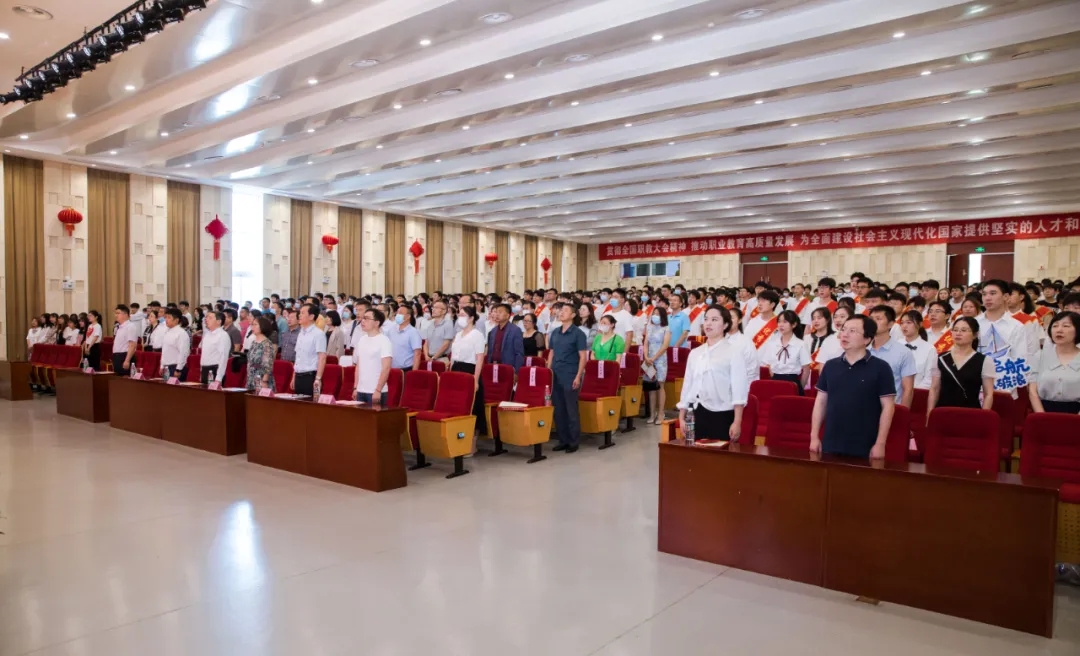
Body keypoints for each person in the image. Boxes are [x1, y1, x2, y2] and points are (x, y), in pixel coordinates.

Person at [810, 315, 896, 459]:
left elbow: (888, 407)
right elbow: (820, 402)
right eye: (844, 329)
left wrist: (880, 443)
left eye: (852, 331)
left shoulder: (881, 368)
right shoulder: (830, 365)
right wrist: (814, 436)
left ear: (867, 339)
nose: (845, 334)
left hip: (865, 444)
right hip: (831, 441)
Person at [677, 306, 749, 441]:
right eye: (706, 319)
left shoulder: (734, 352)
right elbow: (687, 385)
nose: (708, 323)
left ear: (725, 325)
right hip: (694, 411)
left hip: (721, 413)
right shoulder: (695, 353)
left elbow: (739, 389)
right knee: (692, 449)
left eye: (714, 320)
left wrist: (737, 421)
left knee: (718, 453)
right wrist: (682, 416)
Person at [927, 317, 995, 414]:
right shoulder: (941, 358)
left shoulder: (984, 361)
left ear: (975, 335)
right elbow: (934, 389)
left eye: (964, 330)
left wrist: (983, 417)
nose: (958, 333)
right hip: (943, 412)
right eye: (955, 330)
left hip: (971, 413)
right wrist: (929, 414)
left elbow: (988, 394)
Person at [976, 280, 1031, 396]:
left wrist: (1005, 387)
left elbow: (1019, 359)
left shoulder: (1016, 326)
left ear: (1006, 297)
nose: (987, 298)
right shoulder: (973, 323)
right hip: (974, 387)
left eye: (993, 293)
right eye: (984, 294)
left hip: (1003, 388)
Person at [549, 303, 588, 453]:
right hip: (556, 373)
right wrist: (548, 371)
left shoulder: (578, 333)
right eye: (561, 310)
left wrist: (578, 376)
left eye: (565, 310)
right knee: (558, 409)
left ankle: (573, 441)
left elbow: (582, 356)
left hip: (570, 373)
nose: (561, 313)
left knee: (571, 409)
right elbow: (551, 352)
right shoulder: (555, 332)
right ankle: (563, 440)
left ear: (573, 315)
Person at [1028, 311, 1080, 414]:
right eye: (1055, 326)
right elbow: (1033, 391)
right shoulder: (1040, 356)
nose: (1059, 330)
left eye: (1066, 326)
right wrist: (1042, 417)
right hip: (1044, 411)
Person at [450, 306, 488, 437]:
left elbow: (479, 359)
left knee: (473, 405)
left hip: (470, 370)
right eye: (459, 315)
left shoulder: (477, 335)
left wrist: (475, 379)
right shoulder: (458, 335)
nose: (459, 318)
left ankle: (472, 440)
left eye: (463, 315)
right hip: (456, 369)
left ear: (471, 318)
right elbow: (453, 356)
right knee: (458, 404)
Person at [868, 306, 916, 408]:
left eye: (878, 318)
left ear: (890, 324)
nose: (873, 322)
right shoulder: (862, 349)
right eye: (871, 319)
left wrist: (902, 413)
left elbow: (908, 389)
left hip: (891, 409)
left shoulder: (903, 352)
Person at [761, 310, 811, 394]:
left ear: (794, 324)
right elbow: (768, 364)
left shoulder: (801, 344)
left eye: (785, 322)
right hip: (774, 381)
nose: (781, 325)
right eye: (779, 321)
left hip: (792, 382)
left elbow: (806, 370)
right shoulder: (772, 344)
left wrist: (799, 389)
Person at [352, 309, 393, 407]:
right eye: (363, 318)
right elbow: (358, 366)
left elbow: (386, 368)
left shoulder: (384, 341)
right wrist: (355, 387)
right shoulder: (362, 339)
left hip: (376, 391)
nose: (363, 321)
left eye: (366, 318)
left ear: (376, 323)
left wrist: (378, 390)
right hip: (361, 390)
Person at [643, 305, 671, 424]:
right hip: (649, 360)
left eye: (658, 314)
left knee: (660, 385)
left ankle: (660, 413)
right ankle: (652, 414)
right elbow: (645, 344)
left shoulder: (666, 328)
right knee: (651, 387)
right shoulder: (649, 328)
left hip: (660, 360)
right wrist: (646, 357)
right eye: (654, 313)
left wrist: (654, 358)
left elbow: (665, 346)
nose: (655, 316)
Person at [292, 303, 328, 397]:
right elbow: (298, 357)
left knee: (309, 404)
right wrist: (294, 377)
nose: (299, 315)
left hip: (310, 377)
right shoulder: (301, 333)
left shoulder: (318, 334)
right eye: (300, 313)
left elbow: (322, 358)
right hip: (298, 376)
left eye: (303, 313)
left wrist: (318, 379)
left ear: (311, 316)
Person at [899, 310, 936, 390]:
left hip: (916, 391)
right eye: (902, 323)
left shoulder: (929, 349)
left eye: (909, 322)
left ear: (920, 324)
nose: (904, 326)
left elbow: (929, 379)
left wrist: (911, 391)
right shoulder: (896, 345)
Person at [486, 303, 525, 372]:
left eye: (500, 312)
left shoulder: (515, 330)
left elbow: (519, 353)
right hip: (493, 367)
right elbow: (490, 352)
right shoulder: (493, 331)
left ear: (507, 315)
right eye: (496, 312)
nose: (497, 314)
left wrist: (516, 371)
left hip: (507, 368)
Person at [245, 316, 277, 392]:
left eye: (255, 324)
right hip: (251, 377)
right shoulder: (254, 342)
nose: (252, 327)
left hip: (261, 377)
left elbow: (268, 365)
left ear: (263, 327)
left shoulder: (267, 344)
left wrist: (264, 381)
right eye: (252, 324)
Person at [386, 306, 422, 373]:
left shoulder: (413, 332)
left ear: (408, 316)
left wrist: (413, 373)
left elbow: (417, 353)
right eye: (397, 312)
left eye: (400, 313)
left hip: (406, 369)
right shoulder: (391, 330)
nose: (397, 315)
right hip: (391, 369)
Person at [199, 311, 231, 385]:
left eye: (210, 318)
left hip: (214, 370)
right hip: (205, 369)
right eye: (206, 317)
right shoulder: (207, 334)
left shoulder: (223, 335)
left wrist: (219, 378)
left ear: (219, 321)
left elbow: (223, 357)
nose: (206, 319)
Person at [805, 307, 841, 371]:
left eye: (819, 318)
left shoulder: (836, 337)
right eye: (813, 319)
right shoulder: (807, 338)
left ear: (827, 320)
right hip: (809, 373)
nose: (816, 321)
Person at [160, 308, 191, 380]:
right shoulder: (167, 332)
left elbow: (183, 353)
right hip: (166, 367)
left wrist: (178, 369)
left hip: (176, 367)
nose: (166, 320)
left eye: (169, 317)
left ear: (176, 320)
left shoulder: (181, 333)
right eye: (166, 317)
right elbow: (164, 351)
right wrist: (162, 366)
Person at [112, 305, 139, 377]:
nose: (116, 315)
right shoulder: (118, 327)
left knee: (125, 380)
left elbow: (132, 345)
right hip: (117, 356)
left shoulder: (130, 326)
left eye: (118, 313)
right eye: (115, 313)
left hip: (124, 356)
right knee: (117, 379)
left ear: (125, 314)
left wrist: (127, 360)